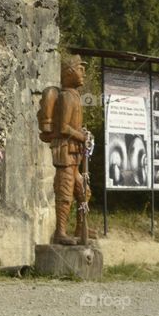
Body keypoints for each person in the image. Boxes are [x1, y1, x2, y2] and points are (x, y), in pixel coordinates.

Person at [51, 55, 91, 245]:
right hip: (65, 152)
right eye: (79, 69)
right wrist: (81, 136)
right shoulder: (66, 96)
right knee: (65, 191)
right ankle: (60, 232)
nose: (83, 73)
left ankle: (80, 227)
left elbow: (72, 127)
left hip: (74, 153)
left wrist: (83, 134)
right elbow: (64, 128)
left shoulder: (74, 96)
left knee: (84, 191)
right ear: (68, 73)